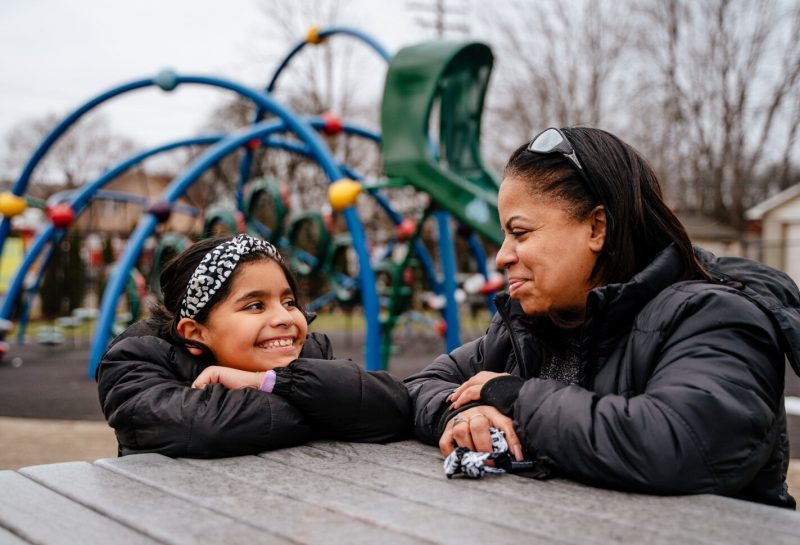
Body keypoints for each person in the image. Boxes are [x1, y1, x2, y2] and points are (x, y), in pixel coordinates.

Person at [407, 126, 799, 508]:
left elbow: (679, 444)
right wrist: (464, 414)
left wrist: (515, 398)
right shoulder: (536, 327)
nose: (502, 256)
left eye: (520, 233)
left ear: (597, 228)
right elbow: (421, 387)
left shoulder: (717, 317)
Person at [97, 234, 411, 458]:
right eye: (255, 306)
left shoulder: (307, 352)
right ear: (196, 331)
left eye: (288, 301)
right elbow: (207, 428)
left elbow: (393, 407)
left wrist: (266, 382)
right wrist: (326, 407)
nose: (285, 317)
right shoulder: (136, 362)